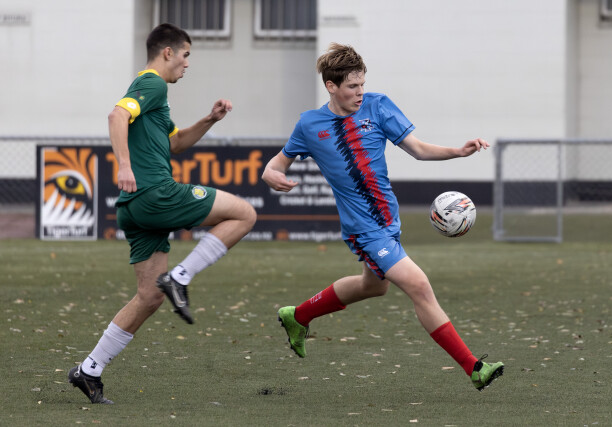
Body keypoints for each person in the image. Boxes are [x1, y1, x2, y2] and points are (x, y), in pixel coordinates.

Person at [262, 43, 504, 392]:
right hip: (363, 229)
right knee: (419, 285)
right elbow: (277, 163)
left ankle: (297, 316)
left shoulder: (378, 106)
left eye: (362, 84)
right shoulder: (310, 125)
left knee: (373, 286)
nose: (360, 92)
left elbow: (417, 149)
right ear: (331, 86)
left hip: (388, 221)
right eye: (352, 86)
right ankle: (474, 368)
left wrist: (458, 151)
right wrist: (271, 173)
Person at [68, 23, 257, 404]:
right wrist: (124, 166)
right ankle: (181, 277)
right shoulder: (152, 83)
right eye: (185, 55)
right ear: (167, 52)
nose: (187, 64)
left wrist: (210, 119)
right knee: (245, 214)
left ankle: (89, 370)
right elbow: (115, 117)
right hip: (155, 194)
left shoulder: (154, 95)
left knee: (149, 297)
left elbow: (176, 142)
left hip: (134, 209)